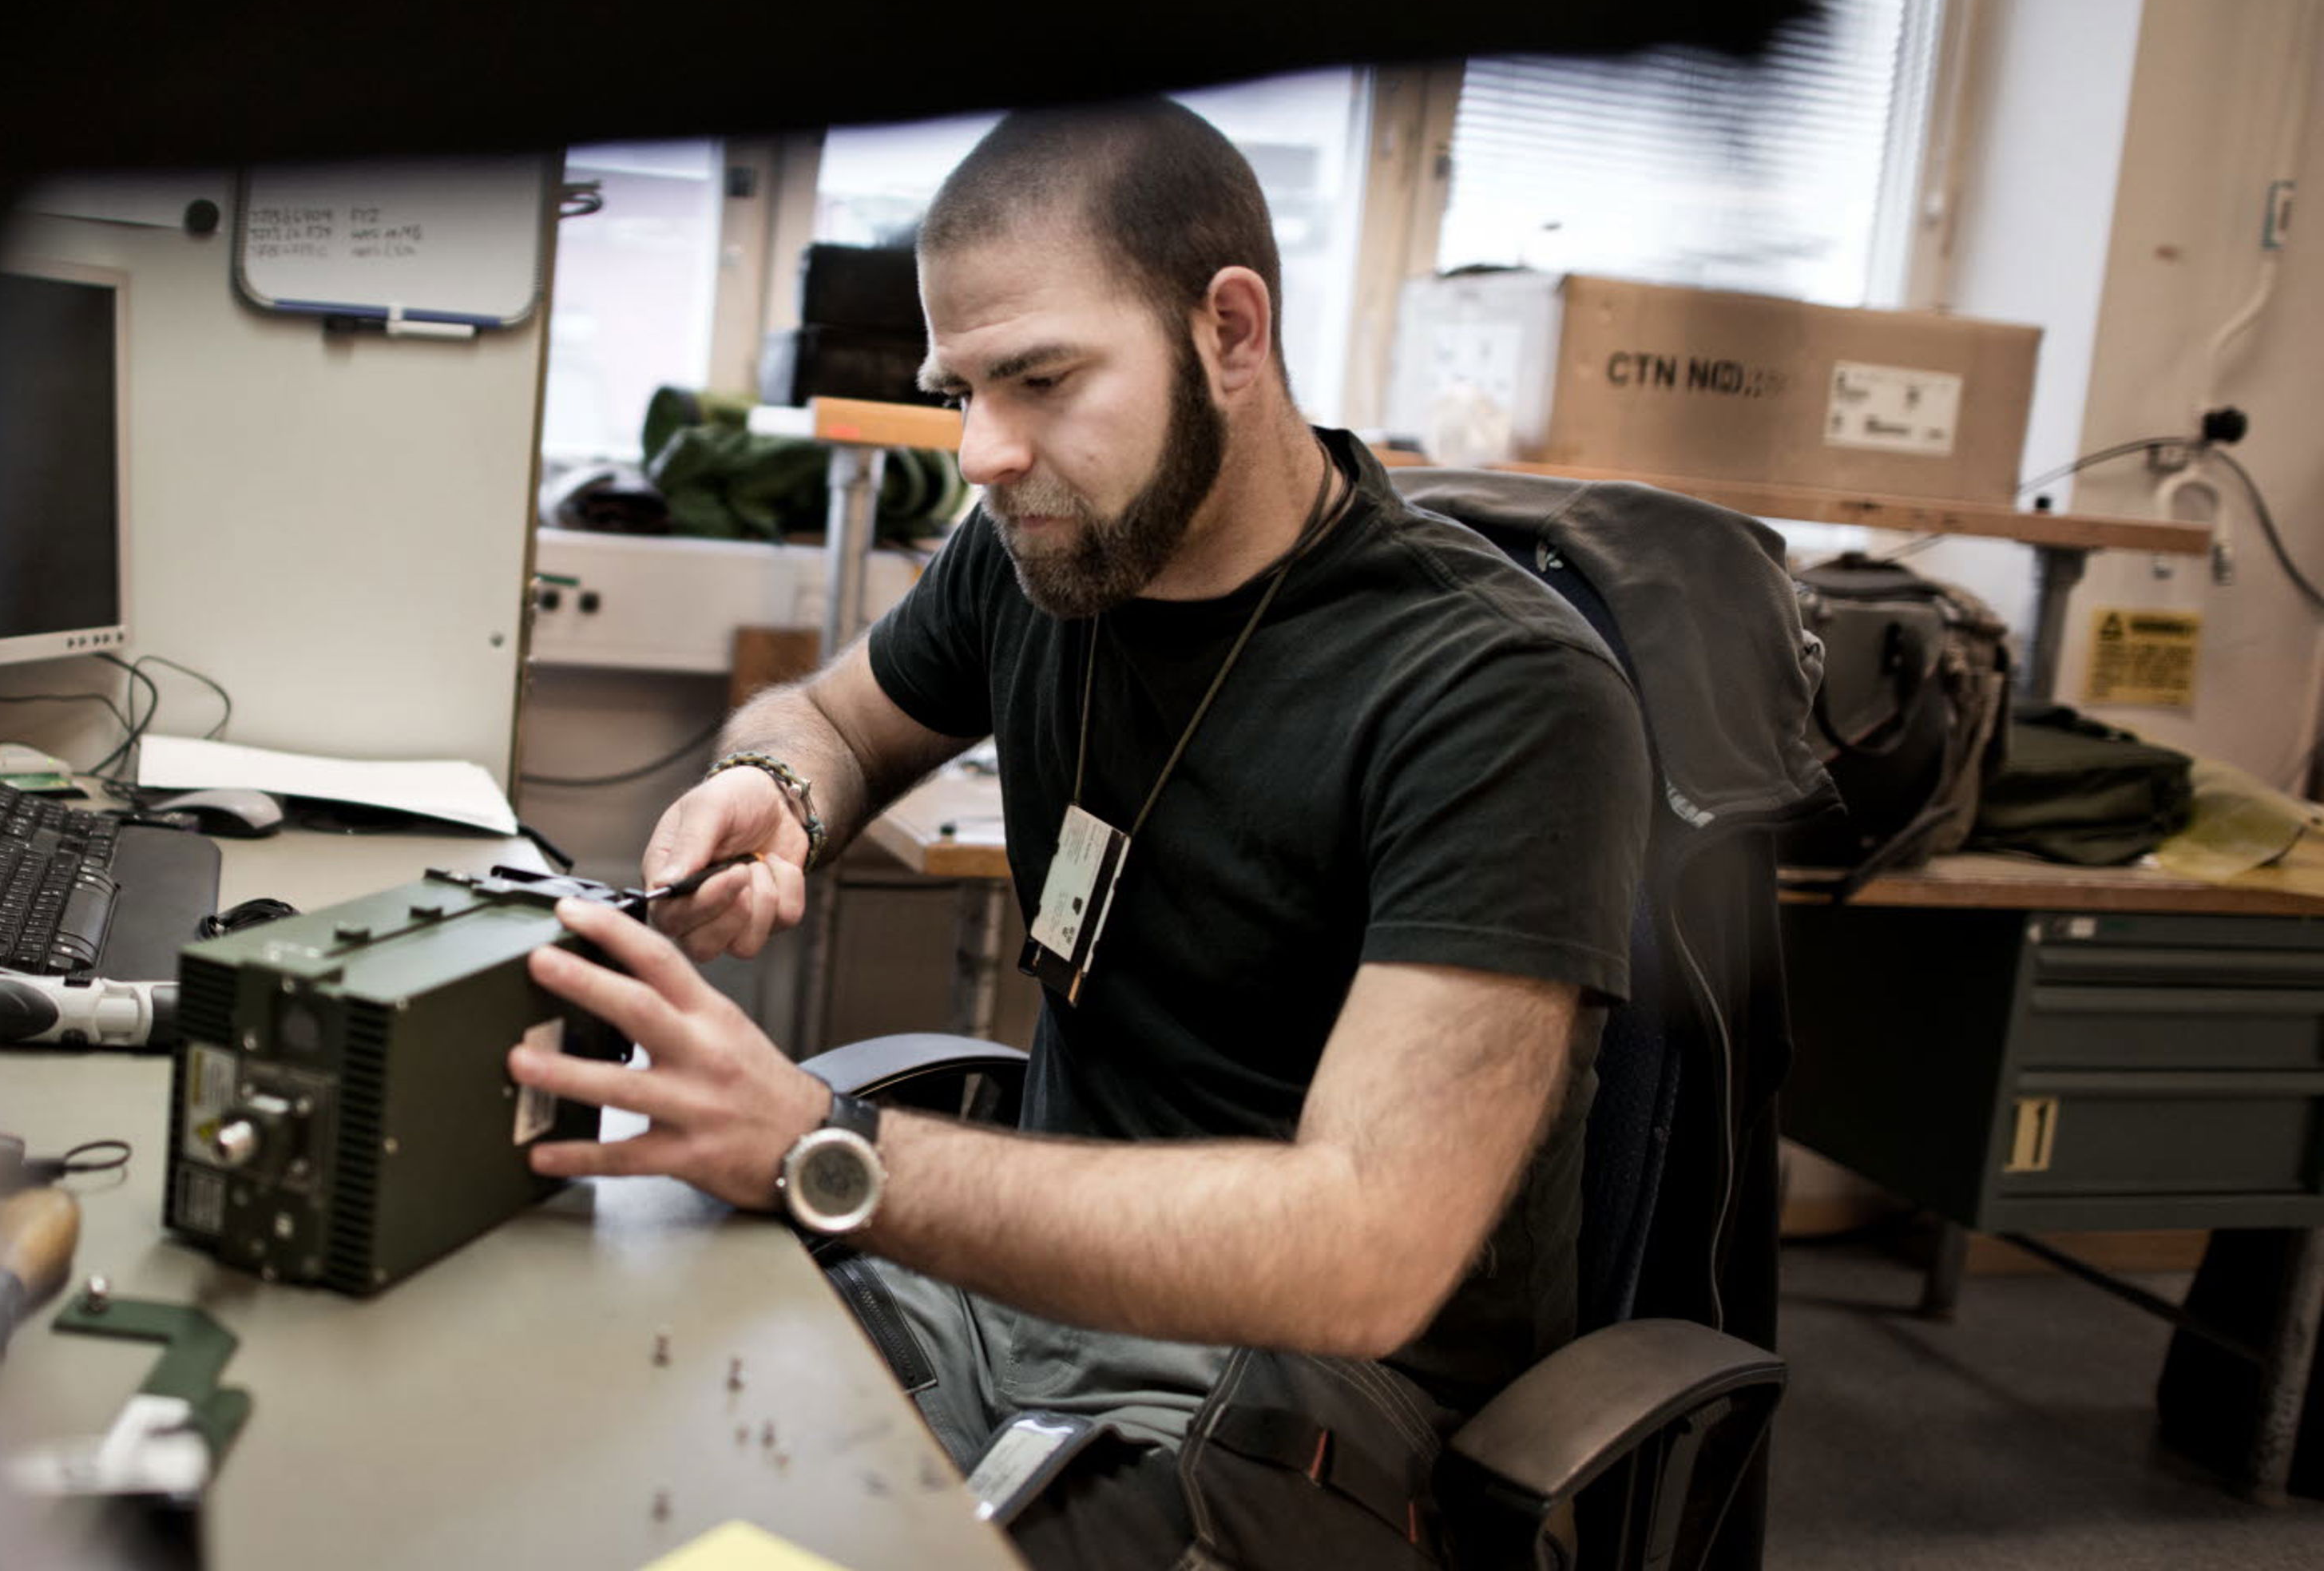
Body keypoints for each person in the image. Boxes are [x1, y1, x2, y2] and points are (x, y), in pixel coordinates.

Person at [506, 98, 1648, 1569]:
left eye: (1039, 378)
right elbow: (839, 723)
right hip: (1015, 1303)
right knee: (591, 1424)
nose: (982, 452)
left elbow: (1364, 1248)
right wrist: (775, 794)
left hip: (1305, 1397)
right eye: (959, 389)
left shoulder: (1495, 691)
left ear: (1231, 331)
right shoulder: (1044, 549)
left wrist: (821, 1144)